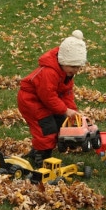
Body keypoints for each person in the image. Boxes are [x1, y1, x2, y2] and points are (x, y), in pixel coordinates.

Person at [17, 30, 87, 168]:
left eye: (78, 67)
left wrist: (72, 111)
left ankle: (39, 150)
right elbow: (48, 97)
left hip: (45, 100)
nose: (75, 70)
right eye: (73, 66)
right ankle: (42, 157)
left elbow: (66, 94)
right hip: (32, 101)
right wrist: (65, 110)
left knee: (61, 122)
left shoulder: (65, 73)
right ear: (63, 61)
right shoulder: (49, 72)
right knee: (47, 128)